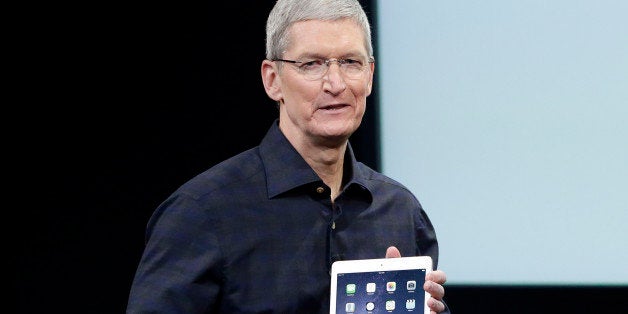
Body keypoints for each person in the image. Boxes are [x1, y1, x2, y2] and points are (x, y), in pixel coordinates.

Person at [127, 0, 450, 313]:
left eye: (351, 62)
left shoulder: (399, 210)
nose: (335, 84)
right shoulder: (202, 213)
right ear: (272, 80)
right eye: (312, 64)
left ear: (369, 75)